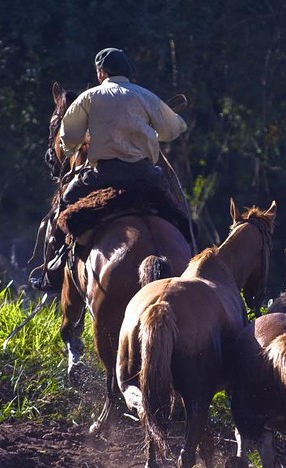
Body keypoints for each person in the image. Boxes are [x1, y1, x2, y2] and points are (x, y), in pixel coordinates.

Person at [30, 47, 191, 292]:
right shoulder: (146, 96)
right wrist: (151, 133)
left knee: (62, 209)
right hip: (146, 175)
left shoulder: (89, 97)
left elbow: (69, 136)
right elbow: (172, 129)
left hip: (103, 174)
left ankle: (51, 273)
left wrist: (72, 148)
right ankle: (196, 260)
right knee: (181, 215)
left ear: (101, 72)